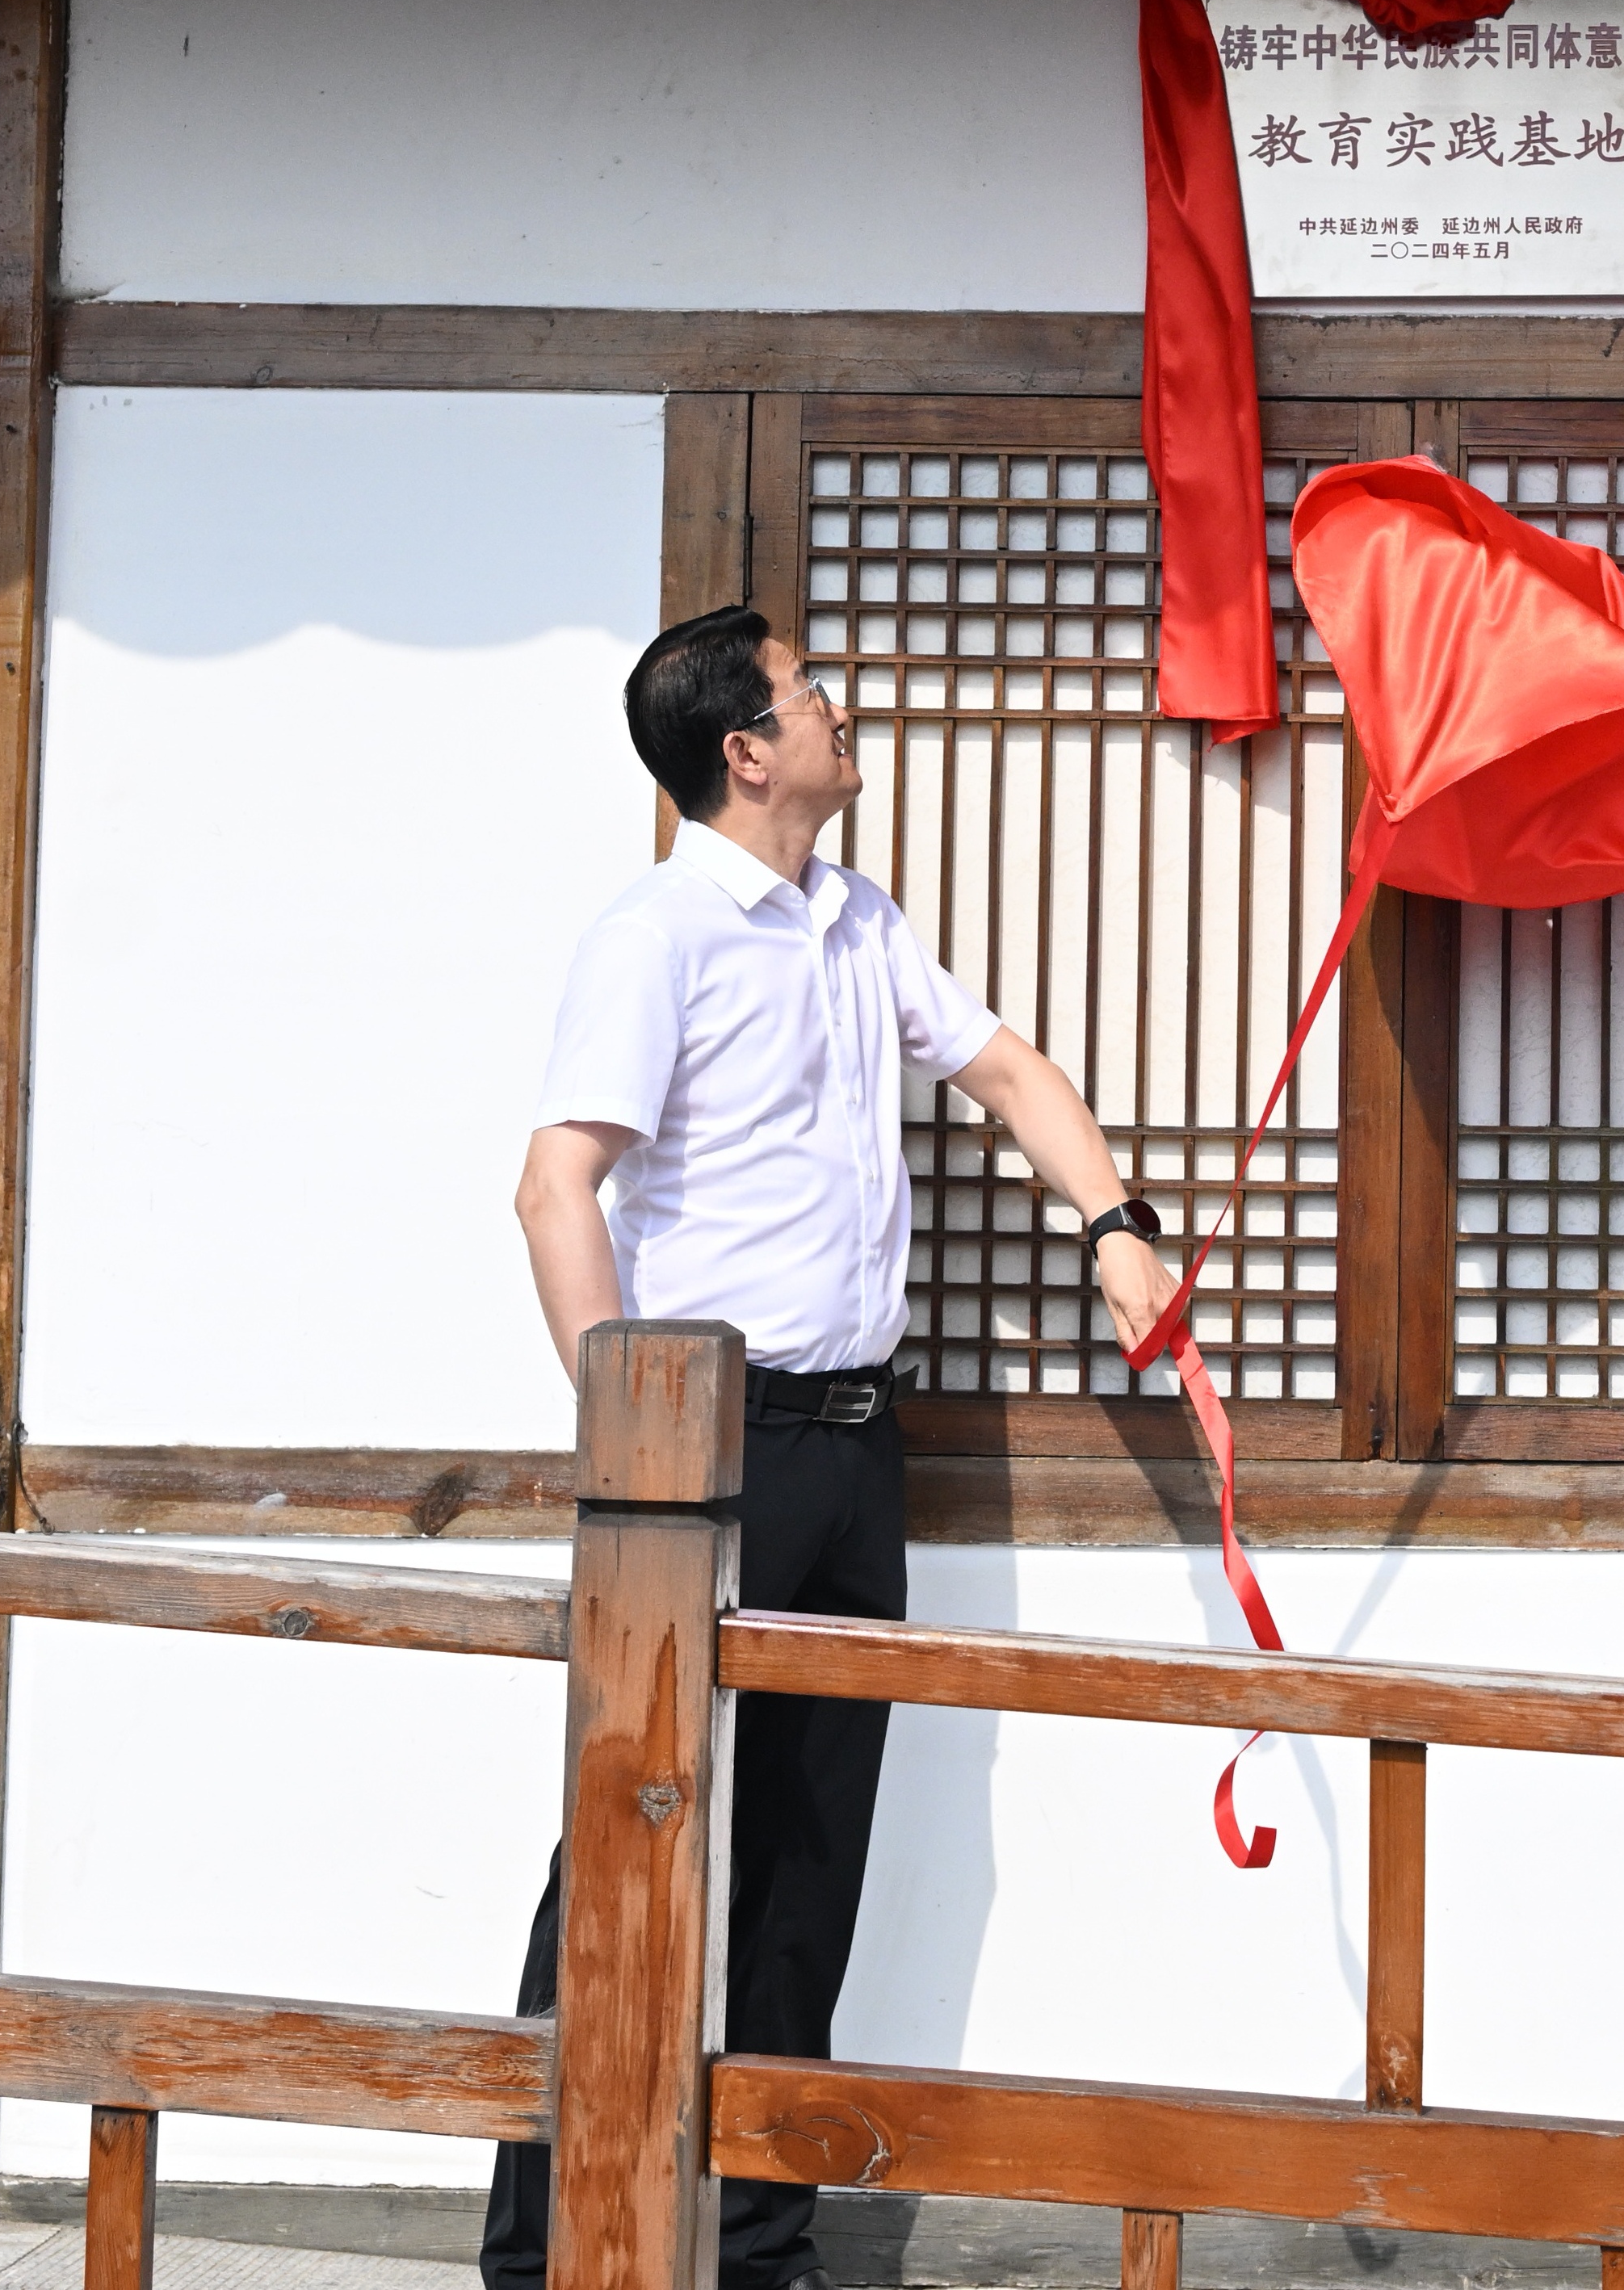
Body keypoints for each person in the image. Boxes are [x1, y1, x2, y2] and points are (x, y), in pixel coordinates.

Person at [482, 606, 1181, 2290]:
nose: (838, 711)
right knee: (634, 1838)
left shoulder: (859, 920)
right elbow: (555, 1185)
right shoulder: (657, 934)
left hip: (859, 1442)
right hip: (710, 1448)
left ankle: (756, 2241)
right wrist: (630, 1434)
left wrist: (1117, 1226)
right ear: (745, 749)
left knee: (810, 1853)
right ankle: (540, 2249)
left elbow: (1006, 1070)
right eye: (811, 694)